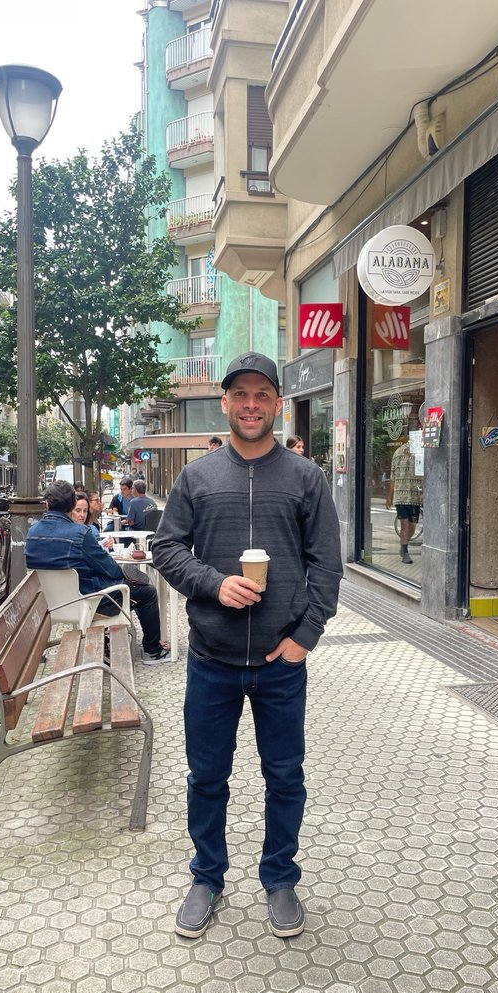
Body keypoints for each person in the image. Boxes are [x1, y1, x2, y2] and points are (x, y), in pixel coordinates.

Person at [152, 351, 343, 939]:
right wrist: (214, 585)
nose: (252, 404)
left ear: (278, 404)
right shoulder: (198, 477)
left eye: (262, 394)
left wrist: (305, 637)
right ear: (226, 403)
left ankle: (280, 878)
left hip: (280, 661)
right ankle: (207, 876)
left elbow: (327, 564)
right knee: (207, 776)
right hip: (211, 659)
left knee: (285, 776)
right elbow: (166, 549)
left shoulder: (306, 478)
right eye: (241, 394)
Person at [26, 480, 171, 663]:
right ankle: (152, 650)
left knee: (133, 589)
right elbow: (110, 569)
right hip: (90, 600)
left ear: (46, 503)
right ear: (72, 505)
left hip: (52, 604)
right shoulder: (80, 533)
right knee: (146, 592)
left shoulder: (32, 533)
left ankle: (109, 644)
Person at [386, 437, 423, 565]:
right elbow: (392, 476)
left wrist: (423, 492)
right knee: (405, 525)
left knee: (412, 525)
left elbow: (423, 474)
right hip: (401, 495)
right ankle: (405, 550)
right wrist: (389, 496)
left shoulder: (419, 452)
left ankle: (404, 543)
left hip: (414, 496)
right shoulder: (398, 453)